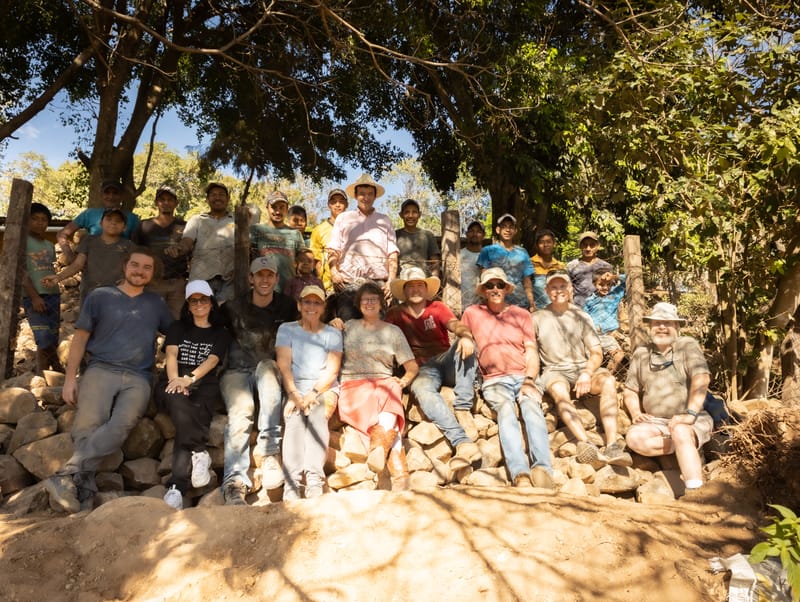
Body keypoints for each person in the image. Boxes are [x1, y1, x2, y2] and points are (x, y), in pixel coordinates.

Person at [42, 248, 174, 513]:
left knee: (122, 425)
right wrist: (70, 379)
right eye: (135, 265)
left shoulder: (156, 303)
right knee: (87, 425)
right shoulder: (100, 296)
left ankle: (66, 475)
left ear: (152, 273)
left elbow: (176, 337)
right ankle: (83, 485)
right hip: (101, 369)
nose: (140, 271)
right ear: (125, 267)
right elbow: (80, 338)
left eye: (147, 267)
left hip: (139, 376)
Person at [461, 268, 554, 488]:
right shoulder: (472, 313)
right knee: (505, 410)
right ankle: (520, 473)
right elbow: (460, 333)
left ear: (506, 289)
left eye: (499, 285)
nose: (495, 289)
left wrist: (530, 379)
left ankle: (542, 469)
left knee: (531, 408)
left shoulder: (521, 314)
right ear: (483, 290)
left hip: (523, 375)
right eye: (490, 285)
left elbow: (531, 350)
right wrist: (465, 337)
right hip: (494, 379)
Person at [219, 255, 299, 505]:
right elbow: (212, 337)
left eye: (269, 275)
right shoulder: (232, 308)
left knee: (267, 372)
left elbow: (308, 327)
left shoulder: (287, 306)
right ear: (251, 278)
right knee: (241, 411)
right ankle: (234, 482)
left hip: (269, 368)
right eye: (259, 275)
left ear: (276, 278)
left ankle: (269, 454)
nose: (265, 280)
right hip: (237, 370)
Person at [385, 267, 481, 471]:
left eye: (420, 284)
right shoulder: (395, 313)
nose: (416, 289)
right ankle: (462, 442)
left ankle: (463, 406)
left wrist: (465, 336)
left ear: (426, 288)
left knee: (467, 343)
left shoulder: (437, 307)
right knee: (421, 390)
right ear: (404, 290)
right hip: (419, 368)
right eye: (411, 286)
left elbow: (455, 325)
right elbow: (381, 335)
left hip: (444, 359)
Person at [532, 270, 631, 466]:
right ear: (546, 290)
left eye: (563, 286)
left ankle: (612, 444)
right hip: (555, 371)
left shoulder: (581, 316)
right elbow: (531, 352)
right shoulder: (536, 318)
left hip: (582, 368)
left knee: (608, 381)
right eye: (553, 287)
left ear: (570, 290)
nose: (558, 290)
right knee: (559, 391)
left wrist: (586, 373)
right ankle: (586, 444)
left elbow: (596, 352)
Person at [623, 302, 714, 492]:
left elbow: (702, 377)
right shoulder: (641, 354)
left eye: (668, 323)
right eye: (657, 323)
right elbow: (630, 390)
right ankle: (686, 447)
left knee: (681, 431)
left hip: (692, 417)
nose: (662, 327)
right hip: (656, 422)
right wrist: (635, 412)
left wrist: (689, 414)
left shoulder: (687, 345)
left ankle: (695, 490)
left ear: (677, 327)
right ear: (650, 326)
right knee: (634, 439)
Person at [338, 281, 419, 491]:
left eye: (374, 299)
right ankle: (400, 473)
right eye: (365, 299)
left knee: (392, 386)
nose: (370, 303)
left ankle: (379, 449)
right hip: (353, 386)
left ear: (382, 303)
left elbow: (411, 367)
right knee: (390, 417)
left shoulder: (393, 332)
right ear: (358, 303)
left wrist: (403, 381)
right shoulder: (346, 327)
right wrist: (332, 323)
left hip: (382, 386)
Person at [158, 280, 231, 510]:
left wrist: (189, 379)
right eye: (194, 300)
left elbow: (212, 361)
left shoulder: (221, 333)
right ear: (188, 305)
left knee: (185, 423)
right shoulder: (177, 327)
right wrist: (175, 381)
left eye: (204, 299)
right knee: (182, 408)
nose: (199, 304)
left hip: (203, 385)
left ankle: (176, 488)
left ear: (211, 302)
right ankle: (200, 451)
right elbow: (171, 355)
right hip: (171, 383)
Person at [276, 285, 343, 500]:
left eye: (317, 303)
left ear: (323, 307)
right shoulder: (287, 329)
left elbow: (332, 369)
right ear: (299, 304)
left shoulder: (332, 333)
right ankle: (292, 482)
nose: (311, 307)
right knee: (293, 418)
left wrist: (313, 392)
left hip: (323, 387)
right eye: (307, 302)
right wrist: (294, 394)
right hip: (295, 386)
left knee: (316, 415)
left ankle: (314, 477)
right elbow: (284, 365)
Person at [326, 173, 399, 317]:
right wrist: (334, 272)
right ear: (355, 195)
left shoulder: (385, 221)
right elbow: (334, 248)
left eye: (370, 194)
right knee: (348, 327)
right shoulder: (343, 218)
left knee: (378, 328)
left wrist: (391, 280)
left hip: (378, 284)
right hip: (348, 284)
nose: (366, 198)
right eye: (362, 194)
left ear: (375, 196)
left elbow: (392, 253)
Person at [43, 208, 133, 305]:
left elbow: (133, 270)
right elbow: (77, 264)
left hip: (116, 297)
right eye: (109, 219)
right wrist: (58, 277)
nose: (113, 223)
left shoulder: (129, 246)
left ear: (125, 227)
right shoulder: (89, 241)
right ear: (101, 223)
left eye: (118, 221)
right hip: (90, 294)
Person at [173, 182, 236, 303]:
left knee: (227, 316)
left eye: (221, 195)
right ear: (207, 200)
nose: (217, 197)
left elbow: (245, 247)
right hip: (201, 278)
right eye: (213, 195)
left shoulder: (237, 220)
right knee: (200, 315)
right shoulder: (197, 220)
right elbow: (187, 241)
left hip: (230, 280)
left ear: (228, 199)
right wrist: (179, 248)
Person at [131, 184, 188, 318]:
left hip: (177, 284)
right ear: (157, 202)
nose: (166, 203)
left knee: (175, 323)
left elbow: (191, 251)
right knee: (149, 321)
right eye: (162, 199)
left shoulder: (185, 226)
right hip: (152, 283)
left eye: (170, 200)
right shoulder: (144, 226)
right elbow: (134, 255)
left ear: (176, 203)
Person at [22, 202, 63, 373]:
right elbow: (22, 273)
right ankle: (50, 370)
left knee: (52, 337)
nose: (40, 223)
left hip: (53, 295)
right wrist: (34, 296)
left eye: (44, 220)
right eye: (35, 219)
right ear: (27, 220)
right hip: (34, 295)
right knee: (43, 337)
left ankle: (48, 372)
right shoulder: (21, 242)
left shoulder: (49, 245)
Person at [56, 180, 139, 263]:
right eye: (107, 193)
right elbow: (62, 234)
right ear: (101, 195)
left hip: (121, 269)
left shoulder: (132, 218)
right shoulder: (89, 214)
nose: (111, 196)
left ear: (122, 196)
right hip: (92, 268)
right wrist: (71, 257)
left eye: (115, 193)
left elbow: (139, 246)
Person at [476, 214, 535, 311]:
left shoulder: (522, 252)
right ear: (498, 230)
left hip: (520, 303)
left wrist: (532, 303)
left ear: (515, 231)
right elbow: (484, 278)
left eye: (511, 227)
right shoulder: (488, 251)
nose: (508, 230)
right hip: (496, 302)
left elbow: (527, 280)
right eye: (504, 227)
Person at [250, 190, 306, 293]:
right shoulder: (256, 230)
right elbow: (247, 257)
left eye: (281, 207)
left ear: (287, 209)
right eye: (274, 207)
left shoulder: (295, 234)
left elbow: (303, 263)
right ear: (267, 207)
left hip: (288, 291)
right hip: (261, 289)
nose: (277, 211)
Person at [583, 269, 627, 372]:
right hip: (593, 335)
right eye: (601, 284)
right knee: (593, 360)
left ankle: (608, 374)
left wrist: (614, 276)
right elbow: (584, 318)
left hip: (607, 336)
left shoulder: (615, 295)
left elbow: (629, 279)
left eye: (609, 284)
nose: (605, 287)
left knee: (619, 356)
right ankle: (593, 377)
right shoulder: (589, 301)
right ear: (594, 284)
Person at [310, 188, 349, 294]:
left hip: (350, 284)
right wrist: (318, 284)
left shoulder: (354, 227)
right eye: (334, 202)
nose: (337, 205)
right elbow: (315, 261)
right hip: (327, 287)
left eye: (341, 201)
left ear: (347, 204)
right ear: (329, 205)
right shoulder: (318, 230)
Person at [395, 198, 441, 278]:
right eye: (407, 212)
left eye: (414, 212)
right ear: (401, 215)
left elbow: (435, 262)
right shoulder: (395, 235)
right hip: (401, 278)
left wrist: (434, 279)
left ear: (419, 214)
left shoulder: (428, 235)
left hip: (422, 278)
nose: (410, 216)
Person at [566, 231, 613, 307]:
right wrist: (571, 307)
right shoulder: (571, 266)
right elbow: (567, 289)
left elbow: (610, 289)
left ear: (597, 246)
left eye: (592, 245)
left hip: (600, 308)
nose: (588, 248)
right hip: (578, 309)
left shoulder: (606, 266)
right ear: (580, 246)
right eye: (585, 245)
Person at [530, 229, 565, 310]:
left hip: (556, 310)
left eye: (549, 242)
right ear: (536, 245)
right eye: (541, 242)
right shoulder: (529, 264)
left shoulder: (560, 266)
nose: (545, 245)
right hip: (536, 311)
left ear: (554, 244)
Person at [459, 220, 484, 312]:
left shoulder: (487, 256)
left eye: (479, 231)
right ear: (466, 234)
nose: (475, 234)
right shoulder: (458, 255)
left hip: (482, 307)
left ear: (483, 235)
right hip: (460, 306)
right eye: (471, 231)